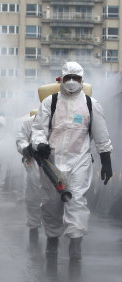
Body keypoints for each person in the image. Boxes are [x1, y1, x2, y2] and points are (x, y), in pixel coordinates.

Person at [31, 62, 113, 260]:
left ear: (82, 80)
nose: (72, 82)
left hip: (79, 162)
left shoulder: (90, 104)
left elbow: (101, 135)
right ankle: (52, 240)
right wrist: (40, 144)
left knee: (76, 202)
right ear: (61, 79)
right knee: (51, 204)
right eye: (68, 78)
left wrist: (106, 161)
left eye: (76, 78)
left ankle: (75, 245)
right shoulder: (50, 103)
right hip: (52, 162)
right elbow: (38, 130)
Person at [15, 112, 42, 244]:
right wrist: (26, 149)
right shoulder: (29, 122)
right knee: (33, 197)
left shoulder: (62, 119)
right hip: (34, 163)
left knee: (54, 200)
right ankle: (34, 227)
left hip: (57, 163)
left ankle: (54, 234)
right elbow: (21, 139)